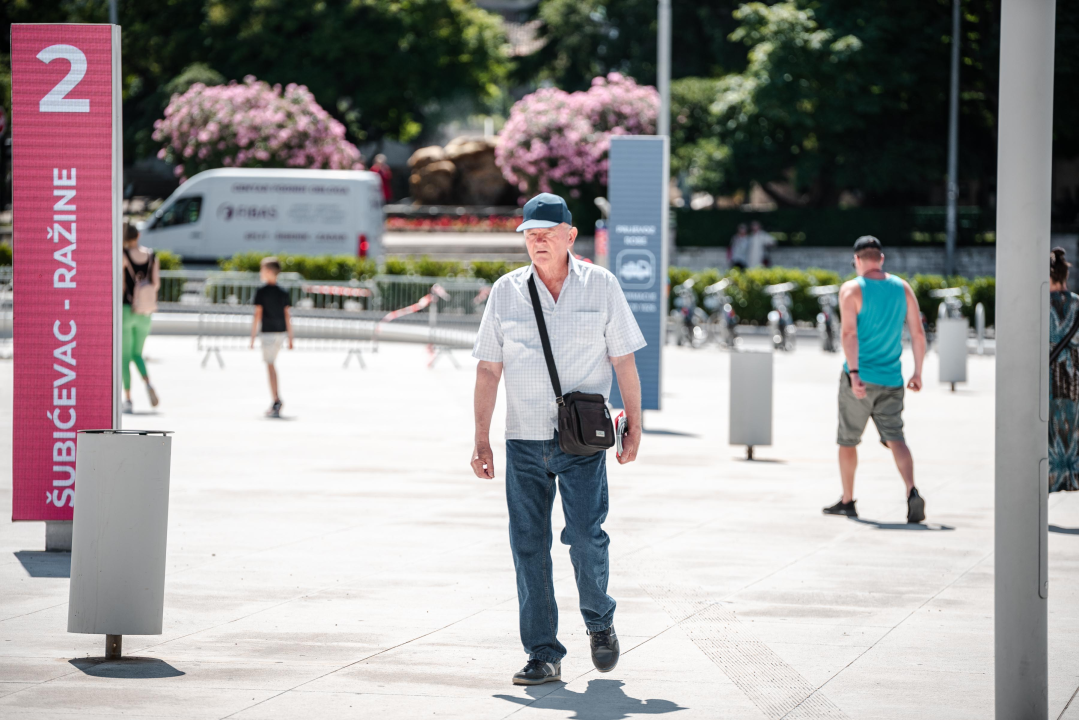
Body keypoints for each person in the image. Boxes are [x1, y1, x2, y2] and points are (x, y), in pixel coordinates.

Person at [471, 192, 646, 686]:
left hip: (583, 441)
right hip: (521, 440)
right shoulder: (506, 291)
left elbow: (624, 360)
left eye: (547, 232)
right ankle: (543, 653)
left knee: (587, 538)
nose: (538, 241)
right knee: (528, 546)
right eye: (530, 233)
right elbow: (488, 368)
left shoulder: (601, 286)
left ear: (571, 236)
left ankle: (600, 621)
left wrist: (634, 422)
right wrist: (480, 438)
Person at [823, 236, 928, 523]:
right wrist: (917, 372)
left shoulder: (851, 290)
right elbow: (918, 335)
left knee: (848, 440)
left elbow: (848, 334)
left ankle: (847, 500)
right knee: (896, 438)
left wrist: (854, 374)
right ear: (880, 259)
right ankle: (911, 491)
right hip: (892, 379)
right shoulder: (902, 288)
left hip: (859, 378)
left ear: (857, 260)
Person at [121, 222, 160, 414]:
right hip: (146, 312)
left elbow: (120, 286)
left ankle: (127, 398)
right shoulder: (152, 255)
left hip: (127, 310)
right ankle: (148, 383)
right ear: (138, 236)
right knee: (138, 353)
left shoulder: (123, 256)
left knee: (125, 358)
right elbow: (156, 284)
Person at [1050, 247, 1079, 492]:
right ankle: (1072, 478)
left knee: (1048, 435)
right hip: (1074, 383)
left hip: (1048, 383)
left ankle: (1049, 483)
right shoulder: (1078, 304)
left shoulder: (1040, 305)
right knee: (1073, 430)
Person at [250, 257, 294, 418]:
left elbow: (257, 315)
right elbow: (287, 315)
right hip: (280, 333)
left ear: (268, 272)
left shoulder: (261, 292)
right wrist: (290, 337)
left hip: (268, 333)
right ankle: (276, 399)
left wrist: (252, 337)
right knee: (271, 364)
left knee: (270, 365)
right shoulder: (283, 292)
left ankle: (276, 399)